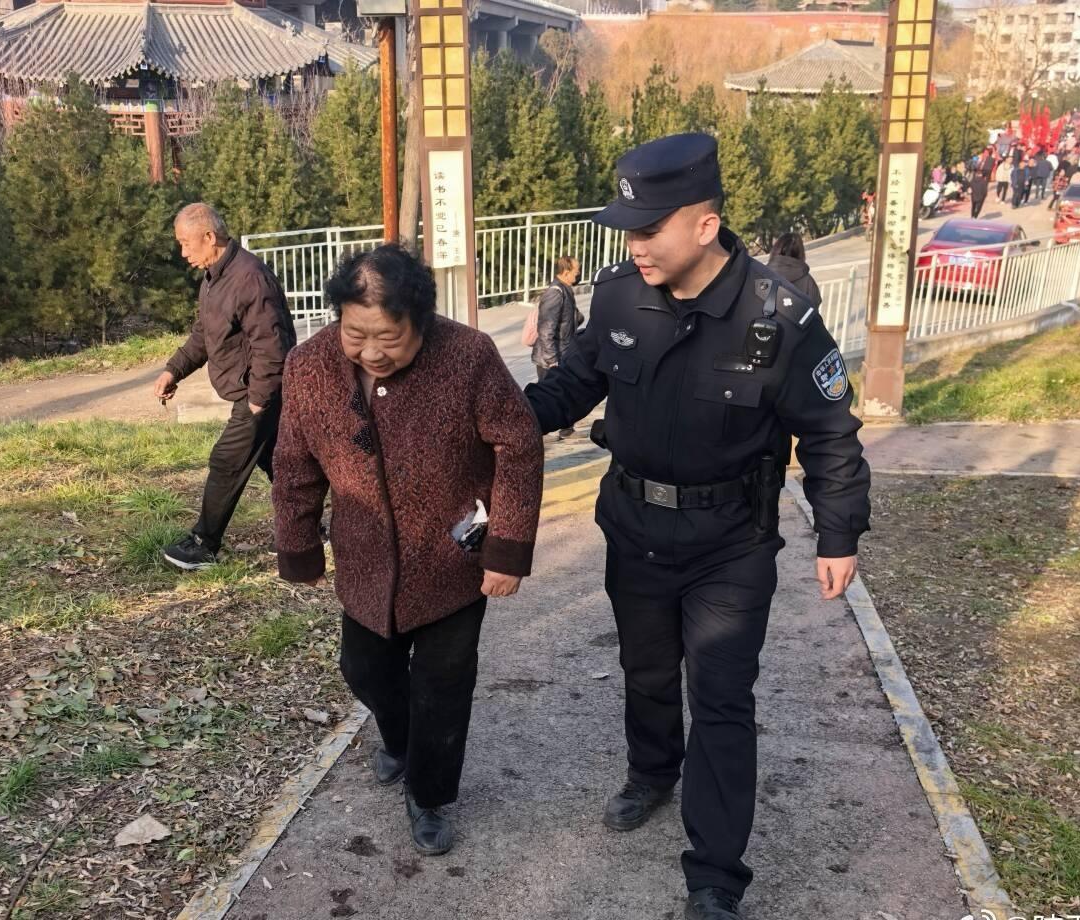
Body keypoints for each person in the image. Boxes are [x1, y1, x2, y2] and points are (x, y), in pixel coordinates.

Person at [524, 133, 871, 920]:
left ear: (705, 225)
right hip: (634, 524)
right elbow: (573, 383)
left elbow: (829, 432)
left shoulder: (779, 317)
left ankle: (715, 876)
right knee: (646, 671)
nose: (634, 245)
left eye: (650, 229)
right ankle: (652, 772)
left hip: (730, 542)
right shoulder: (619, 296)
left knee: (720, 697)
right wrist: (500, 420)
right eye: (628, 230)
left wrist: (838, 532)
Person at [272, 244, 543, 856]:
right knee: (365, 669)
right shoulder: (308, 365)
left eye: (388, 337)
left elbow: (519, 446)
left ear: (421, 320)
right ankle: (399, 739)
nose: (371, 352)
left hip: (453, 559)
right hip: (364, 558)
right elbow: (293, 462)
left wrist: (507, 550)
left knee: (443, 686)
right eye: (356, 334)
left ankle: (429, 795)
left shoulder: (468, 355)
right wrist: (298, 544)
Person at [155, 203, 296, 570]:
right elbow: (204, 334)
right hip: (252, 392)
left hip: (261, 394)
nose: (183, 253)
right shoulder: (214, 278)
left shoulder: (250, 278)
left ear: (209, 236)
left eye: (185, 243)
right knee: (281, 463)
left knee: (226, 461)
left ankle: (204, 544)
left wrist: (258, 401)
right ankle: (308, 529)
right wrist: (174, 371)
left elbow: (273, 347)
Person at [531, 255, 584, 440]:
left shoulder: (565, 289)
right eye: (576, 271)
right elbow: (546, 329)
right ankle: (535, 431)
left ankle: (566, 429)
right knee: (547, 396)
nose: (579, 274)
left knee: (565, 391)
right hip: (551, 356)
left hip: (563, 351)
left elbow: (568, 318)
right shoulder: (555, 293)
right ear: (566, 272)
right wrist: (552, 359)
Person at [766, 232, 822, 303]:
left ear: (775, 250)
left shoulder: (760, 276)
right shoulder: (809, 282)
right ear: (801, 253)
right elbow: (815, 305)